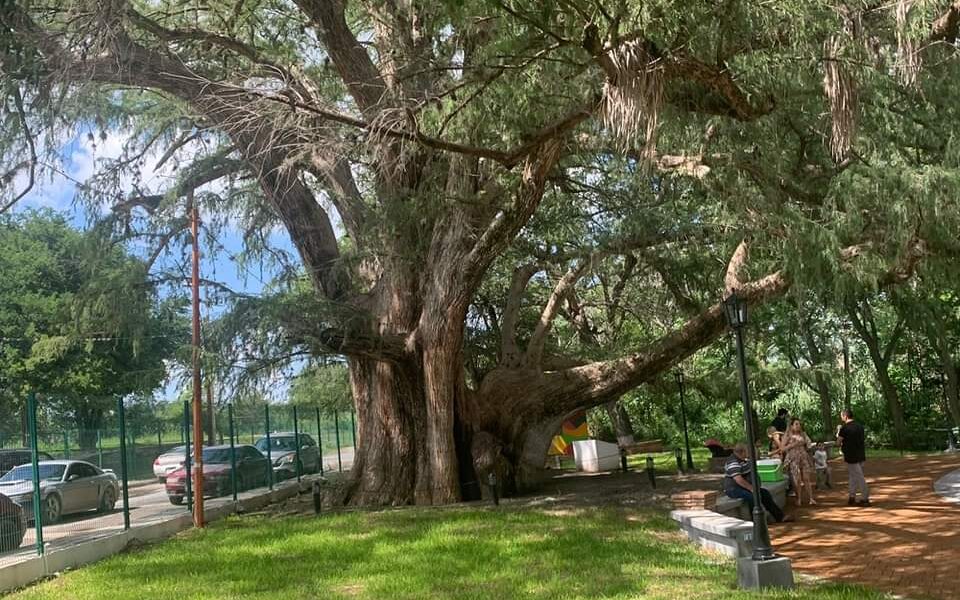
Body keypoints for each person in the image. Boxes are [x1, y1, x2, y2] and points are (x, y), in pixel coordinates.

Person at [723, 442, 793, 523]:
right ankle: (756, 522)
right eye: (747, 451)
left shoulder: (744, 460)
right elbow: (738, 479)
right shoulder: (733, 462)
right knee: (752, 496)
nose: (748, 453)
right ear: (742, 452)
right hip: (733, 489)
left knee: (765, 493)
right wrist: (751, 488)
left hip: (743, 487)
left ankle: (780, 517)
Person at [837, 408, 870, 506]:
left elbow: (838, 442)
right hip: (860, 454)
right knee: (853, 476)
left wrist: (839, 434)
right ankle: (852, 496)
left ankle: (865, 498)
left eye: (842, 416)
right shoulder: (860, 426)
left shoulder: (844, 428)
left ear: (845, 416)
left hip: (851, 456)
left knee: (859, 477)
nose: (841, 418)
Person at [781, 418, 816, 506]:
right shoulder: (788, 435)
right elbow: (782, 448)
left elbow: (809, 445)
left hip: (803, 457)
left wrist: (807, 445)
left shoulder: (803, 434)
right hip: (793, 459)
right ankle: (799, 499)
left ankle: (811, 498)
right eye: (796, 424)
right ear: (792, 425)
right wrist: (793, 445)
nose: (798, 426)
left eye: (799, 424)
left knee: (806, 478)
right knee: (798, 479)